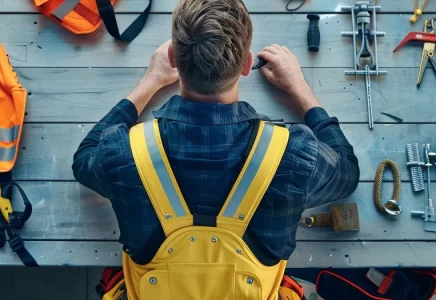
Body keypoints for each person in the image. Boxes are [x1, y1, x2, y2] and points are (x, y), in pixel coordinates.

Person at [72, 0, 359, 298]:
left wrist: (150, 83)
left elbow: (84, 158)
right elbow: (348, 174)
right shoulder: (292, 154)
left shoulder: (125, 153)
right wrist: (301, 90)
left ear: (172, 58)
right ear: (247, 64)